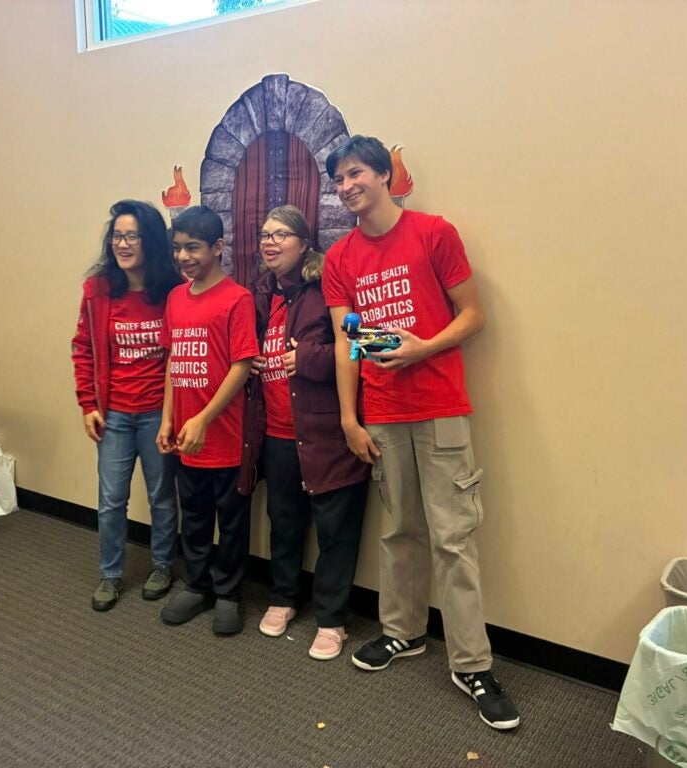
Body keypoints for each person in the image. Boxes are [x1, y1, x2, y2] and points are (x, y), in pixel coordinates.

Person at [321, 136, 520, 730]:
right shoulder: (340, 260)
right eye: (338, 179)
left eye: (356, 173)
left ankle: (471, 664)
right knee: (400, 531)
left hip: (439, 408)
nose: (347, 185)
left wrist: (423, 348)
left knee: (453, 539)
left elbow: (474, 315)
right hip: (381, 414)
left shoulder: (434, 233)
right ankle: (402, 632)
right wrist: (349, 418)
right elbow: (348, 338)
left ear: (384, 175)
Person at [239, 205, 370, 661]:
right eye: (264, 235)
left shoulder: (325, 288)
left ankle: (332, 619)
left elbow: (363, 340)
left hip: (327, 432)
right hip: (275, 432)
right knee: (285, 522)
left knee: (335, 528)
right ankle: (283, 597)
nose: (268, 243)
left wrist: (311, 358)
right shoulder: (260, 293)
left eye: (280, 234)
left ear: (303, 241)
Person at [72, 199, 183, 612]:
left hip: (159, 412)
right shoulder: (98, 290)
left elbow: (180, 355)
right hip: (114, 414)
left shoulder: (171, 290)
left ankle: (161, 565)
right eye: (117, 235)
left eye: (131, 235)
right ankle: (111, 573)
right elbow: (83, 349)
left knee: (161, 497)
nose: (122, 243)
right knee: (111, 499)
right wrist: (88, 404)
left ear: (149, 240)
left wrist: (173, 416)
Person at [157, 206, 259, 635]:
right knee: (194, 517)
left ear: (218, 247)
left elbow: (241, 366)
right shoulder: (176, 298)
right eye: (177, 248)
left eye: (193, 247)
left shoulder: (238, 298)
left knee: (231, 522)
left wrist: (202, 418)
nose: (183, 257)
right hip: (185, 438)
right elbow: (173, 361)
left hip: (226, 438)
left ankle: (229, 593)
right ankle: (197, 584)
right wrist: (169, 419)